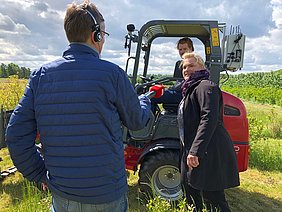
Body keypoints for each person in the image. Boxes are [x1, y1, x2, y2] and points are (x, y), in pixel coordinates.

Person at [5, 1, 151, 211]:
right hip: (106, 193)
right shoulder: (113, 74)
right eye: (104, 34)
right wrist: (145, 101)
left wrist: (39, 173)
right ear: (97, 35)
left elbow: (16, 136)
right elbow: (137, 121)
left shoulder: (40, 76)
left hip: (63, 194)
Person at [177, 52, 239, 211]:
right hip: (191, 150)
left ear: (201, 66)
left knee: (214, 199)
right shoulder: (190, 88)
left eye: (191, 65)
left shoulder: (205, 86)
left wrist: (196, 150)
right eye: (184, 67)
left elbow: (208, 118)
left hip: (207, 151)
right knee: (190, 192)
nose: (186, 69)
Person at [151, 37, 194, 114]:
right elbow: (178, 82)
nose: (182, 51)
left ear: (191, 49)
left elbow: (185, 83)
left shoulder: (194, 63)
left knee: (151, 96)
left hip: (185, 95)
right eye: (180, 49)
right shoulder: (179, 63)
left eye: (185, 49)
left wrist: (168, 89)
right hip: (179, 92)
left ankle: (145, 123)